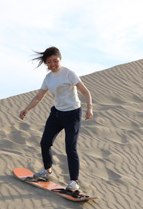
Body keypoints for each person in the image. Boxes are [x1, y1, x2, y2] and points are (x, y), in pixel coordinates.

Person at [19, 47, 93, 192]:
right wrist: (27, 109)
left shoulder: (68, 73)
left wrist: (89, 107)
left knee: (70, 147)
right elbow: (38, 97)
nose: (52, 64)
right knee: (45, 142)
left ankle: (74, 181)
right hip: (57, 114)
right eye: (49, 62)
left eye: (55, 61)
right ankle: (47, 170)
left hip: (73, 114)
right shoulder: (48, 78)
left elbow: (85, 91)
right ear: (46, 63)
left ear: (60, 59)